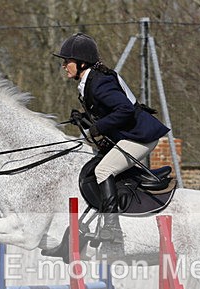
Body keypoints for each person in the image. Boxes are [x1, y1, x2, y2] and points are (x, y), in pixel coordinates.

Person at [54, 32, 170, 243]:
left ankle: (112, 227)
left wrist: (98, 126)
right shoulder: (91, 81)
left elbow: (124, 110)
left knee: (104, 169)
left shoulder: (98, 83)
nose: (64, 65)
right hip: (128, 134)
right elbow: (109, 112)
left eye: (67, 61)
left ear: (81, 63)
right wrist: (85, 119)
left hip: (140, 136)